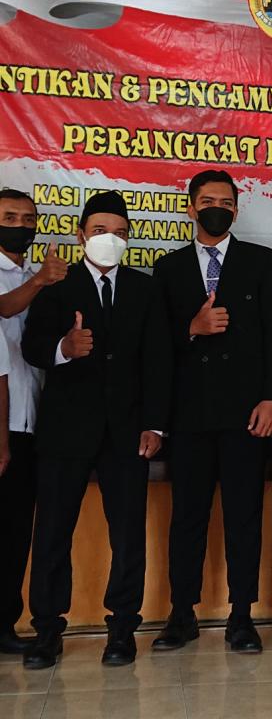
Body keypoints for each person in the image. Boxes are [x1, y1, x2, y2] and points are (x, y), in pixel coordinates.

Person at [20, 191, 170, 669]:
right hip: (66, 429)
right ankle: (47, 630)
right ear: (81, 234)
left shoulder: (145, 289)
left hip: (127, 431)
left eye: (121, 233)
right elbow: (32, 346)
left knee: (127, 534)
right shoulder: (56, 285)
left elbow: (158, 361)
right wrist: (64, 348)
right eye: (101, 231)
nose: (111, 239)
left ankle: (122, 627)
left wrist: (155, 425)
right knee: (52, 532)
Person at [151, 169, 272, 655]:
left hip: (247, 414)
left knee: (244, 516)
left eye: (226, 203)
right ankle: (181, 613)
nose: (218, 209)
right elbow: (153, 345)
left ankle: (242, 616)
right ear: (190, 207)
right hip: (189, 415)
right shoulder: (168, 268)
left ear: (237, 209)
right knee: (187, 516)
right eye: (208, 201)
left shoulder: (261, 261)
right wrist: (191, 327)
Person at [0, 189, 66, 653]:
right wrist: (42, 280)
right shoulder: (35, 279)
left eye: (28, 218)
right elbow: (4, 308)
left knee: (15, 531)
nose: (20, 225)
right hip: (1, 424)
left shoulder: (32, 273)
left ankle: (5, 624)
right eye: (9, 217)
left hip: (30, 421)